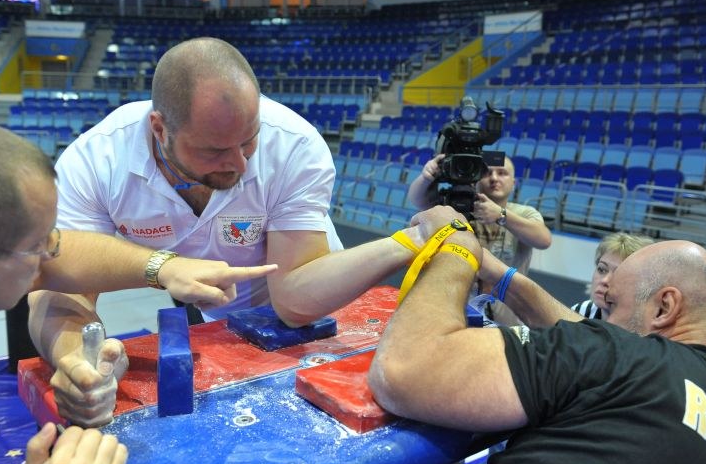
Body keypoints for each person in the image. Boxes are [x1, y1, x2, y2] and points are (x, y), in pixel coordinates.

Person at [29, 37, 429, 427]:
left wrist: (402, 245)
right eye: (214, 151)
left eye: (249, 140)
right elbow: (59, 282)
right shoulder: (97, 161)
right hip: (225, 326)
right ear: (159, 129)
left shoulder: (293, 146)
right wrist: (77, 362)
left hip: (324, 303)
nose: (238, 163)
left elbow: (294, 299)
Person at [368, 205, 706, 464]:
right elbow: (587, 339)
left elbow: (405, 369)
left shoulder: (624, 358)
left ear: (662, 309)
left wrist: (455, 250)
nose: (604, 313)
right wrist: (501, 274)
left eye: (614, 304)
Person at [407, 153, 551, 280]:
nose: (494, 178)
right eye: (488, 173)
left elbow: (544, 240)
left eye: (502, 173)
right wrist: (426, 177)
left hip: (504, 307)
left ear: (513, 183)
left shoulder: (524, 213)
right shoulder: (456, 206)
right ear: (476, 176)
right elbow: (417, 200)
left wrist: (502, 215)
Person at [570, 232, 654, 320]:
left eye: (619, 275)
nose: (605, 280)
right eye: (602, 270)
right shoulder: (580, 312)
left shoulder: (648, 329)